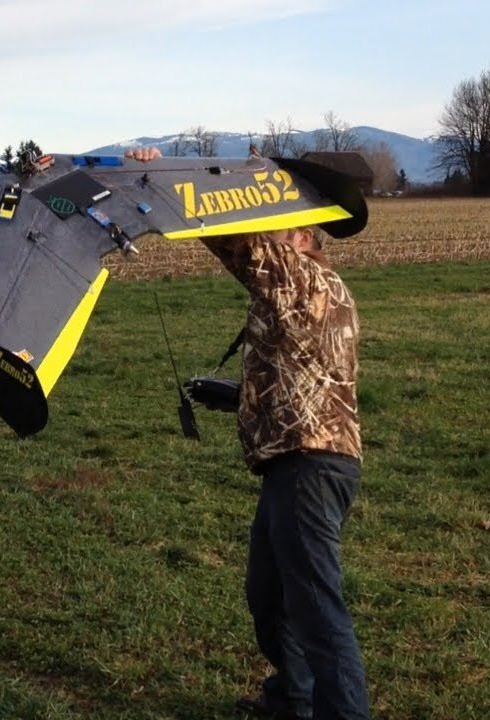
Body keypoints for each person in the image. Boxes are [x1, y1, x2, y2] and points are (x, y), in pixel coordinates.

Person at [127, 146, 371, 720]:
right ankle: (293, 701)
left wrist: (162, 176)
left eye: (280, 224)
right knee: (269, 595)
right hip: (300, 457)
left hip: (310, 465)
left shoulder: (306, 279)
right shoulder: (304, 295)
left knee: (315, 605)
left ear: (308, 237)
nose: (268, 235)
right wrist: (233, 396)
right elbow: (307, 384)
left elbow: (235, 239)